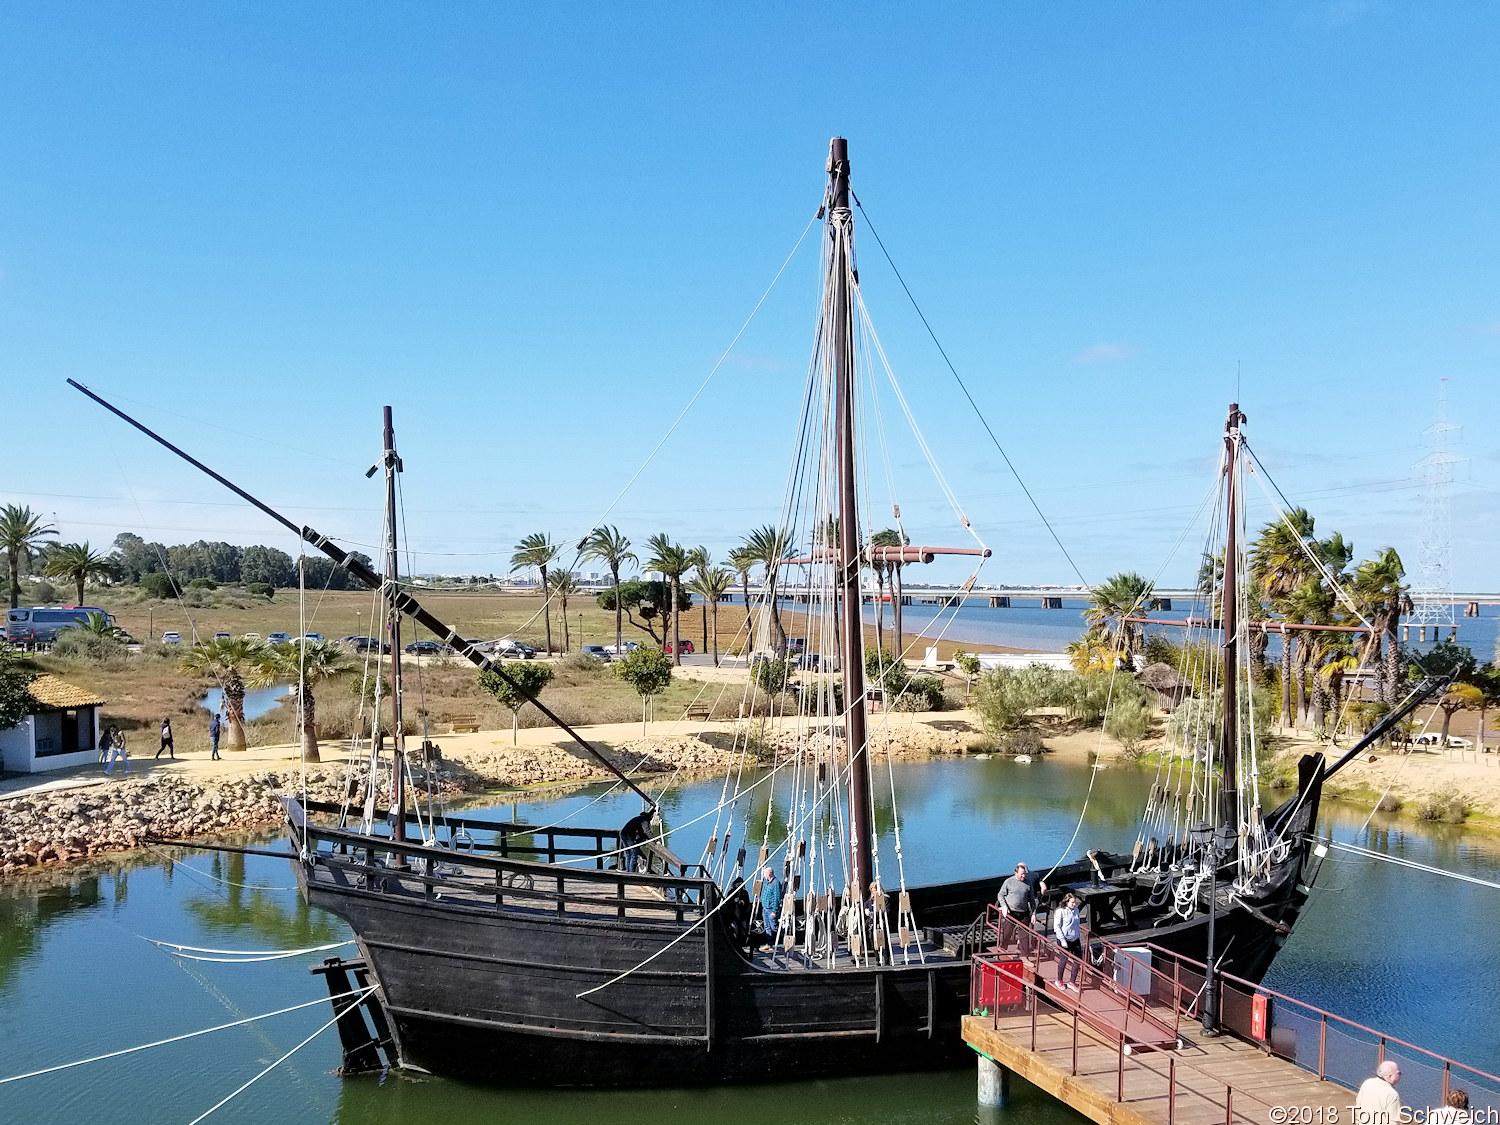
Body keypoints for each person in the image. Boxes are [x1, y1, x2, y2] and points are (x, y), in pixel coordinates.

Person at [1052, 892, 1084, 990]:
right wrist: (1062, 940)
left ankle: (1072, 982)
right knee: (1063, 959)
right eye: (1072, 903)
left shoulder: (1076, 910)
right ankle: (1059, 980)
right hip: (1064, 939)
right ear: (1066, 902)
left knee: (1077, 960)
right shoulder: (1060, 911)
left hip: (1075, 938)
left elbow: (1077, 923)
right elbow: (1056, 927)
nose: (1074, 904)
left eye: (1075, 903)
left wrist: (1078, 935)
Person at [1353, 1060, 1402, 1124]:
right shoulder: (1392, 1094)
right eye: (1399, 1073)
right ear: (1390, 1076)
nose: (1400, 1075)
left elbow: (1358, 1106)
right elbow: (1393, 1121)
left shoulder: (1367, 1083)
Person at [758, 865, 784, 951]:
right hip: (765, 909)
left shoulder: (776, 884)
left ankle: (776, 943)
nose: (764, 876)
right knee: (767, 927)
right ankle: (768, 944)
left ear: (769, 874)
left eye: (765, 874)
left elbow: (777, 897)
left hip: (771, 910)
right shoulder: (768, 882)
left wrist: (775, 911)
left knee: (773, 927)